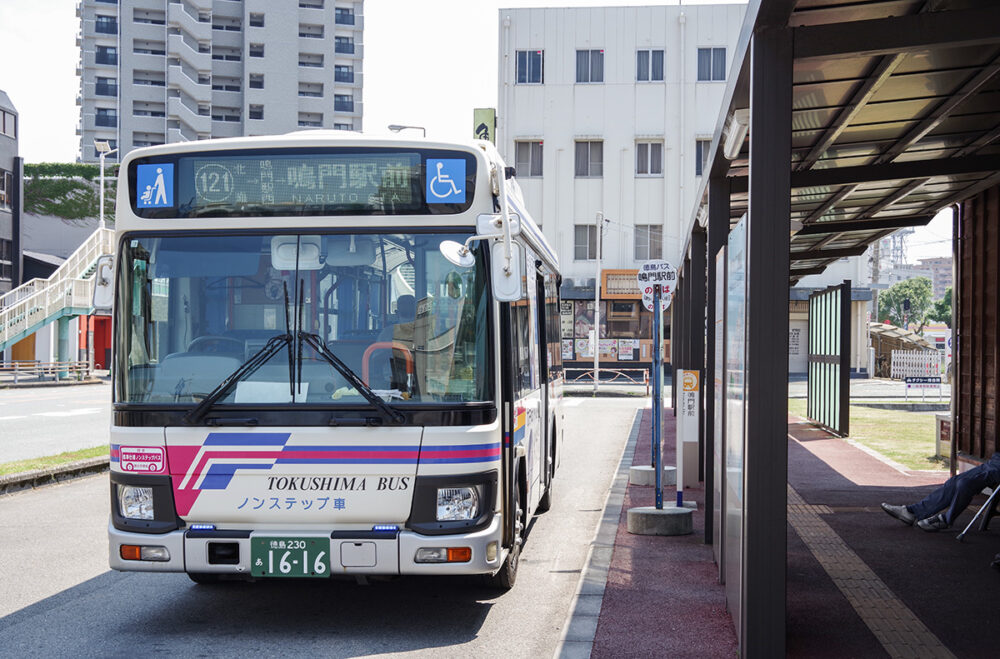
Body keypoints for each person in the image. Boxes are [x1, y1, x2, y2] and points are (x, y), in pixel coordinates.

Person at [881, 453, 1000, 531]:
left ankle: (946, 520)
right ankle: (913, 512)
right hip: (996, 461)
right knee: (953, 482)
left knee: (965, 484)